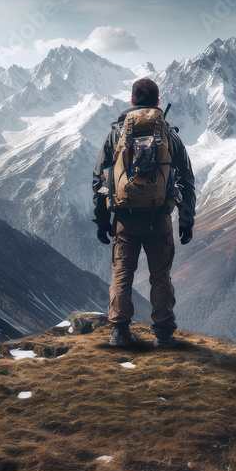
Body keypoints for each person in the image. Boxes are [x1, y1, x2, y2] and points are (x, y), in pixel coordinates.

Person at [92, 77, 196, 347]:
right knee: (160, 276)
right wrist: (186, 221)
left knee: (122, 273)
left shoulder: (116, 133)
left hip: (124, 219)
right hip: (159, 217)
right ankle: (163, 335)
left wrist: (103, 221)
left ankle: (119, 333)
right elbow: (186, 178)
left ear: (132, 101)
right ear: (158, 102)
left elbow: (99, 179)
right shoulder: (169, 134)